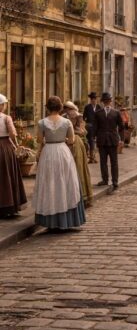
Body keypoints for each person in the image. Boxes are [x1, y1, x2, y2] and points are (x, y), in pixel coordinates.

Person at [32, 96, 86, 230]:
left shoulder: (42, 123)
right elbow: (72, 140)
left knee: (49, 183)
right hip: (62, 151)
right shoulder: (66, 122)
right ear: (60, 107)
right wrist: (62, 139)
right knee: (65, 182)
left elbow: (39, 140)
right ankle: (67, 219)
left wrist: (46, 142)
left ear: (47, 108)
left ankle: (51, 221)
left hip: (48, 152)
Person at [0, 94, 27, 217]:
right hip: (5, 147)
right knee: (7, 175)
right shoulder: (6, 118)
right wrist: (16, 146)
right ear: (2, 106)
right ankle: (9, 205)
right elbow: (12, 134)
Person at [62, 101, 93, 207]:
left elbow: (83, 131)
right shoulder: (63, 117)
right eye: (66, 108)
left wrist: (74, 132)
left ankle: (81, 195)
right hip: (66, 143)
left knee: (79, 168)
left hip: (76, 144)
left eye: (68, 108)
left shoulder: (78, 116)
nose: (67, 111)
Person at [94, 92, 125, 191]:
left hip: (112, 140)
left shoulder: (116, 113)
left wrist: (122, 139)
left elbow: (121, 127)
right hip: (102, 140)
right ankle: (105, 179)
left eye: (108, 101)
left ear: (111, 102)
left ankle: (115, 181)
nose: (107, 103)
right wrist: (95, 138)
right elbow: (95, 128)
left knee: (114, 162)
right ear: (103, 102)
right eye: (105, 101)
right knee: (103, 161)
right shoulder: (98, 113)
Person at [82, 92, 100, 163]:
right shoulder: (87, 107)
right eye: (92, 99)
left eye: (95, 99)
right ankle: (91, 157)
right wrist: (85, 125)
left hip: (97, 128)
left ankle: (93, 156)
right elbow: (84, 117)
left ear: (96, 99)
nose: (93, 100)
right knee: (90, 141)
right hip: (89, 128)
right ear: (90, 99)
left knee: (95, 142)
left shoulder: (99, 107)